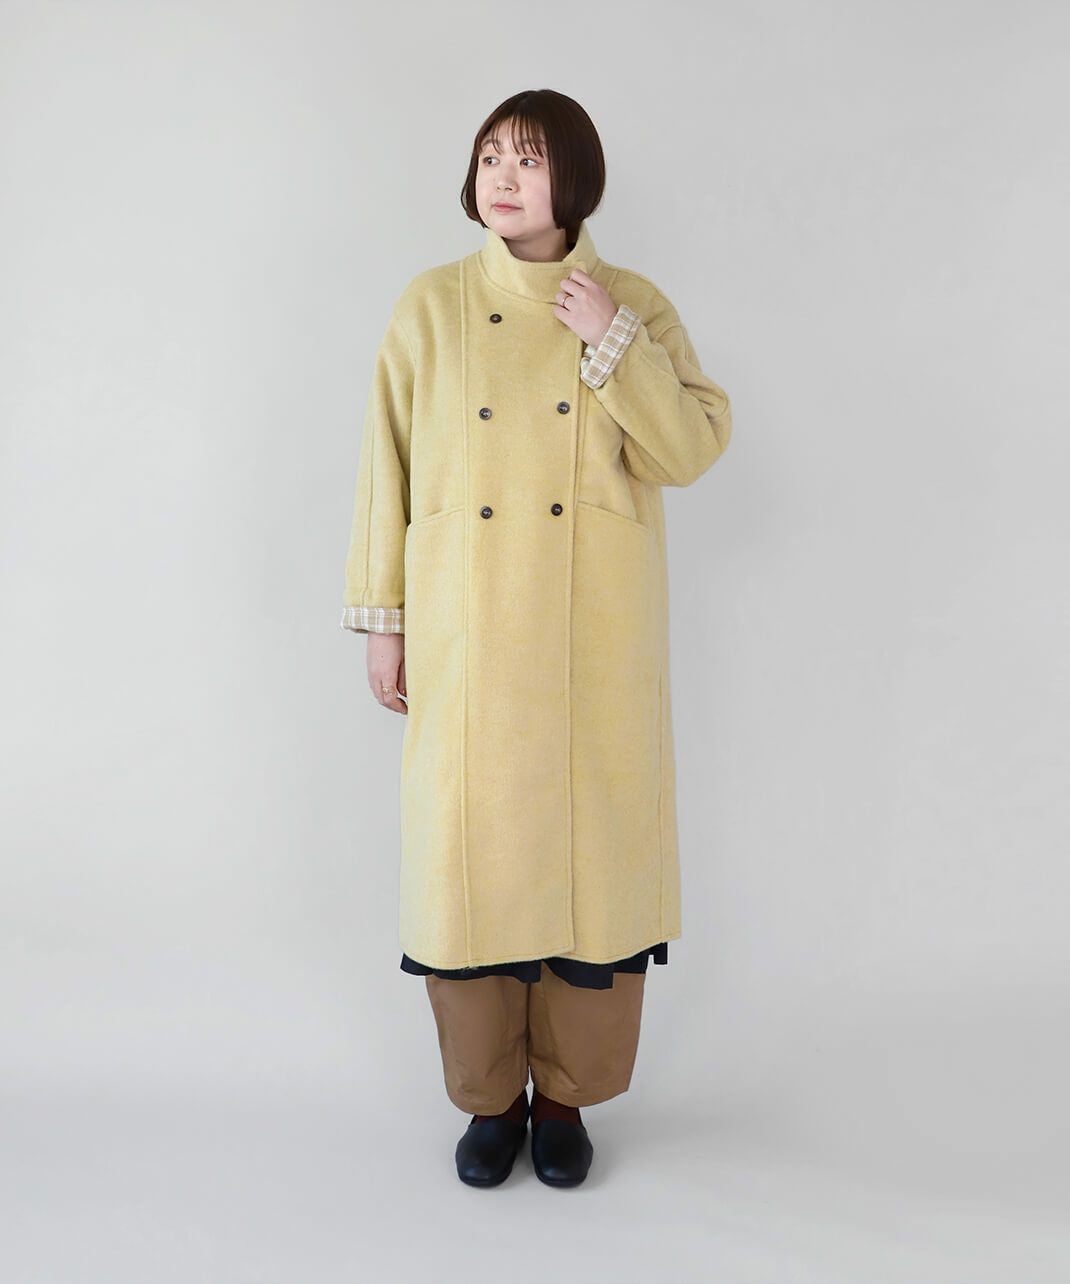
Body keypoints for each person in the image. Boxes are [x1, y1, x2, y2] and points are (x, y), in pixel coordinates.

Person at [340, 88, 732, 1187]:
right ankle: (486, 1102)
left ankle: (563, 1100)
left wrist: (612, 342)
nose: (502, 178)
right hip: (466, 633)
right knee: (467, 869)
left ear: (576, 178)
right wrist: (384, 623)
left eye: (527, 159)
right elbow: (385, 468)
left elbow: (689, 449)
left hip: (591, 643)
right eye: (489, 158)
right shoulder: (430, 306)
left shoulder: (632, 302)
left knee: (590, 869)